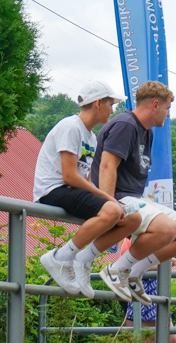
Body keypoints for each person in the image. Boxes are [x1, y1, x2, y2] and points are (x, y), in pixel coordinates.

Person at [91, 81, 176, 304]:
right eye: (167, 109)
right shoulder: (126, 125)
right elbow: (107, 166)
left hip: (135, 197)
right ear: (155, 105)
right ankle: (117, 269)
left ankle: (132, 273)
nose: (168, 115)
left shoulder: (146, 131)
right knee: (167, 228)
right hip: (120, 197)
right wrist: (109, 205)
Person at [33, 80, 141, 298]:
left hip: (71, 191)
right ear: (98, 103)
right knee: (112, 210)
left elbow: (86, 179)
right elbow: (70, 176)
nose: (113, 110)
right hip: (53, 189)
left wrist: (113, 202)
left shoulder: (91, 136)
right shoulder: (70, 127)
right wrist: (108, 199)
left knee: (133, 218)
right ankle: (61, 257)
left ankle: (83, 260)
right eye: (111, 104)